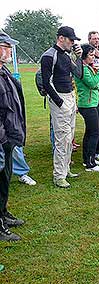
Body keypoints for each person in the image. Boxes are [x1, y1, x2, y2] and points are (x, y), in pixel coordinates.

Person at [41, 26, 83, 188]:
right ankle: (59, 175)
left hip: (70, 97)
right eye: (71, 40)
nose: (73, 43)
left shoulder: (66, 56)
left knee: (69, 138)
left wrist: (79, 57)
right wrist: (59, 101)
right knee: (62, 139)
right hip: (60, 100)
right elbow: (46, 82)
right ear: (61, 38)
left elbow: (78, 73)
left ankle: (65, 170)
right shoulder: (48, 56)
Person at [0, 32, 25, 241]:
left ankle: (2, 213)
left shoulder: (3, 71)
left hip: (8, 136)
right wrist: (4, 138)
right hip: (2, 138)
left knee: (5, 178)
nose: (10, 51)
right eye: (7, 46)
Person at [75, 44, 99, 172]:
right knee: (94, 133)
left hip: (92, 103)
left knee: (89, 132)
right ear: (84, 56)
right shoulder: (84, 69)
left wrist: (97, 82)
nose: (94, 58)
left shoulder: (87, 67)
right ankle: (90, 164)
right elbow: (93, 83)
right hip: (87, 105)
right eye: (91, 55)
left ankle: (88, 158)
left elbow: (96, 85)